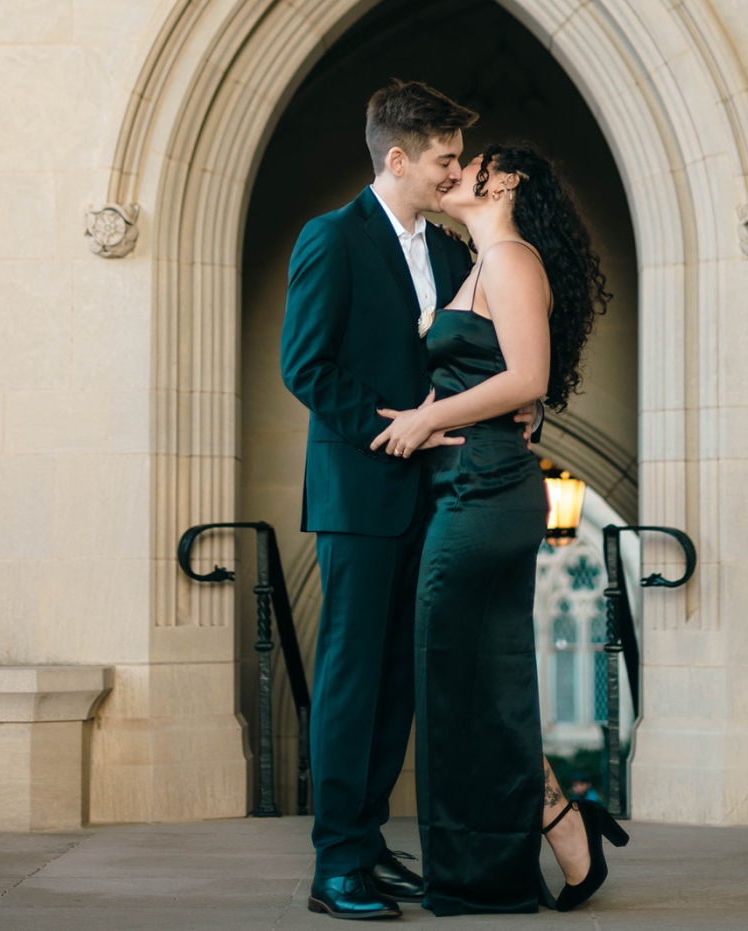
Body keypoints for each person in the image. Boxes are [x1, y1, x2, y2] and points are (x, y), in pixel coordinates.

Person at [280, 80, 537, 921]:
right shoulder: (333, 238)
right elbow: (306, 366)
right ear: (397, 158)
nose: (455, 170)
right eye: (444, 158)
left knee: (400, 682)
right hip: (361, 493)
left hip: (440, 498)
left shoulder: (457, 251)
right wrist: (402, 431)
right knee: (353, 680)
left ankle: (368, 839)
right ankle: (336, 863)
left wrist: (511, 409)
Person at [370, 141, 630, 915]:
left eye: (468, 162)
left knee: (470, 681)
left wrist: (426, 418)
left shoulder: (513, 260)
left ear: (507, 179)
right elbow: (498, 377)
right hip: (465, 490)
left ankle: (512, 850)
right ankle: (553, 825)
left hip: (487, 491)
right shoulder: (480, 267)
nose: (452, 174)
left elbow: (527, 378)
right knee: (470, 681)